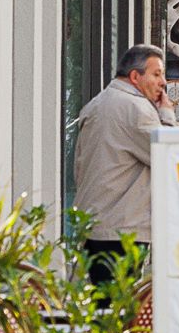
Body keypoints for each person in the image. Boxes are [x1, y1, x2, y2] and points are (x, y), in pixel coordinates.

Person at [64, 44, 168, 277]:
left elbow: (79, 167)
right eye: (157, 74)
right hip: (123, 229)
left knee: (101, 306)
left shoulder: (96, 104)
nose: (163, 83)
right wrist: (166, 115)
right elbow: (169, 155)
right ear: (135, 76)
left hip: (93, 225)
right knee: (120, 307)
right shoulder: (137, 110)